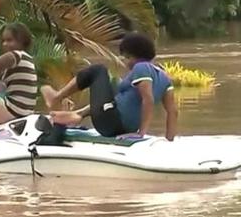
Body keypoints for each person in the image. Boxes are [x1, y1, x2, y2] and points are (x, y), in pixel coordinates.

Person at [41, 32, 178, 141]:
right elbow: (173, 112)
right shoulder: (164, 77)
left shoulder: (140, 67)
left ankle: (56, 97)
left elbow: (148, 99)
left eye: (125, 57)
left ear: (130, 55)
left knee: (98, 70)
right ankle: (78, 114)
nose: (124, 61)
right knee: (114, 84)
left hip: (111, 122)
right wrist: (169, 140)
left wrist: (141, 133)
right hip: (121, 126)